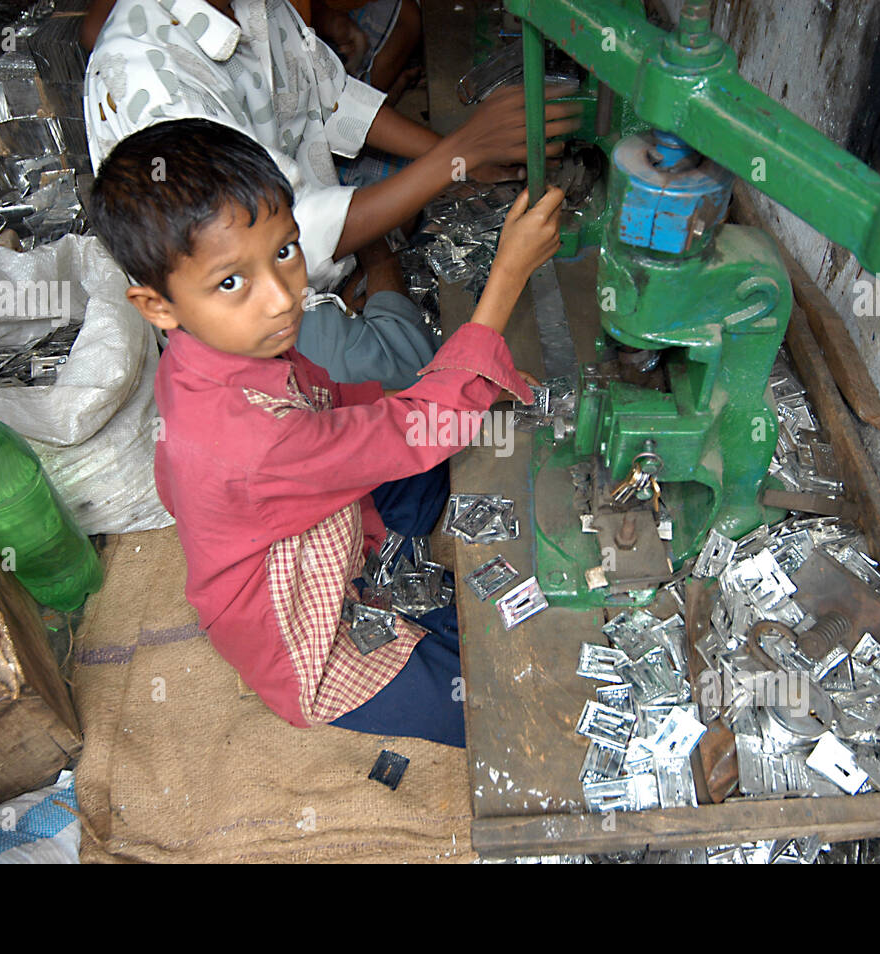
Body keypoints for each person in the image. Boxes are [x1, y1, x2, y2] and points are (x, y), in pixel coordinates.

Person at [88, 118, 562, 746]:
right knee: (494, 696)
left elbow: (341, 404)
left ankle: (401, 539)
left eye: (284, 252)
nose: (283, 298)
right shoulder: (249, 439)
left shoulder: (217, 350)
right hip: (305, 641)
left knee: (435, 438)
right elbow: (408, 427)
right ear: (158, 306)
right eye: (232, 282)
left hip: (316, 507)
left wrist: (461, 385)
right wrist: (507, 273)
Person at [82, 0, 578, 293]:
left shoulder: (252, 7)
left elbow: (330, 98)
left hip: (314, 231)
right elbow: (285, 235)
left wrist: (465, 158)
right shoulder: (152, 79)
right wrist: (461, 154)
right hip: (263, 310)